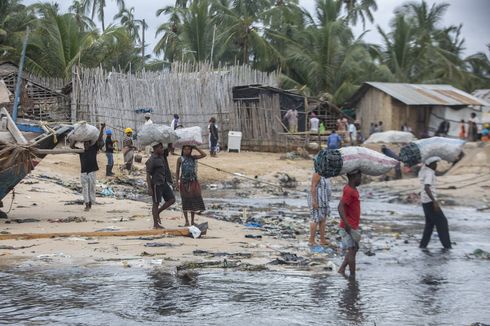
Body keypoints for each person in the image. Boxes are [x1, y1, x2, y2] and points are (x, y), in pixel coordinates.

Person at [419, 156, 451, 249]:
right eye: (435, 163)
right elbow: (427, 187)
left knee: (429, 225)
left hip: (425, 201)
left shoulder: (423, 170)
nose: (436, 165)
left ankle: (423, 246)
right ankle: (447, 247)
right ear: (431, 164)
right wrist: (434, 202)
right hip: (429, 201)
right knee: (442, 222)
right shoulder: (429, 173)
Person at [71, 123, 105, 211]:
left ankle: (91, 202)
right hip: (83, 172)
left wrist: (102, 128)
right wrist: (74, 138)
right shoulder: (81, 151)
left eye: (87, 143)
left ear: (90, 143)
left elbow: (99, 139)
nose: (85, 145)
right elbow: (71, 146)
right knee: (85, 189)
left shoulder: (94, 149)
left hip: (92, 171)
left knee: (92, 188)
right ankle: (87, 204)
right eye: (84, 143)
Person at [337, 170, 362, 278]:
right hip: (348, 226)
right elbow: (340, 207)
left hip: (352, 225)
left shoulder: (353, 189)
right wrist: (347, 224)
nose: (361, 179)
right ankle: (352, 277)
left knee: (354, 249)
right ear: (354, 177)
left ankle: (342, 269)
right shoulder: (349, 191)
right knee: (352, 250)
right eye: (360, 177)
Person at [146, 142, 175, 229]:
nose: (162, 149)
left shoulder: (162, 156)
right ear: (155, 149)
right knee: (156, 203)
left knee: (172, 200)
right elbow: (148, 174)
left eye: (162, 148)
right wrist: (149, 188)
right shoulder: (152, 160)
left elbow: (170, 148)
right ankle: (155, 224)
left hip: (164, 182)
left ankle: (158, 212)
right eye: (160, 148)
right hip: (156, 184)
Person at [176, 145, 207, 226]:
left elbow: (204, 155)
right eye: (185, 149)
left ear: (191, 150)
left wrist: (196, 148)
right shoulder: (180, 159)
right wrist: (176, 182)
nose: (187, 151)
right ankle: (186, 221)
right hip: (183, 182)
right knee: (185, 201)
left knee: (193, 200)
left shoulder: (193, 158)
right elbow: (177, 171)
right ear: (182, 150)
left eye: (189, 149)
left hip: (193, 181)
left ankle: (192, 221)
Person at [308, 172, 332, 246]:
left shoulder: (327, 174)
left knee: (323, 219)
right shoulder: (317, 173)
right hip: (318, 199)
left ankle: (322, 239)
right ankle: (311, 240)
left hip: (324, 200)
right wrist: (314, 201)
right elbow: (313, 186)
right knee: (315, 219)